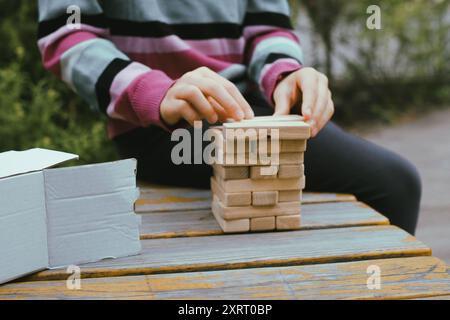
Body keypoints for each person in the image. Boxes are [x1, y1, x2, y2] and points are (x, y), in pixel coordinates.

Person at [37, 0, 421, 234]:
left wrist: (284, 73)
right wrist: (154, 91)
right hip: (161, 129)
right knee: (392, 184)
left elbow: (267, 24)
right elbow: (67, 34)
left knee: (393, 183)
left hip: (251, 110)